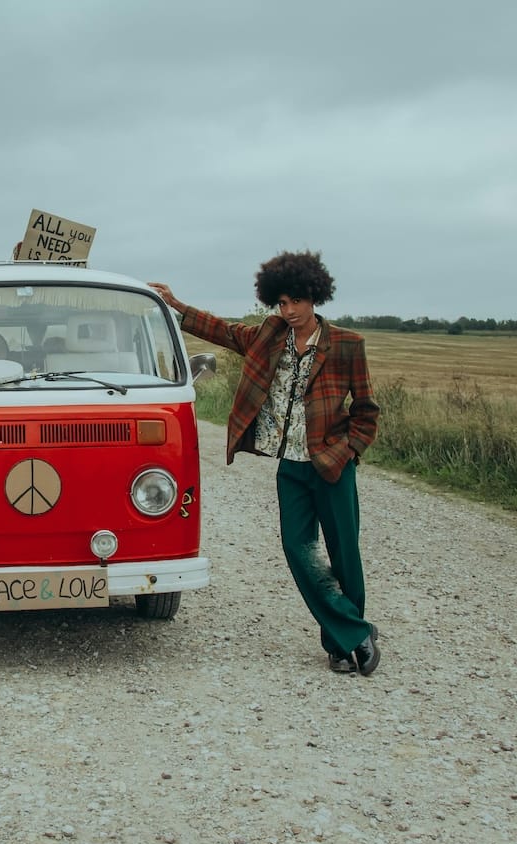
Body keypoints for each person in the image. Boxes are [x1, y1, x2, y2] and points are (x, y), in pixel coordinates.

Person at [149, 251, 382, 675]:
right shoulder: (272, 335)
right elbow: (222, 331)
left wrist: (348, 450)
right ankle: (357, 632)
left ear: (315, 297)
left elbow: (367, 411)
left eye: (296, 302)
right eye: (281, 303)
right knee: (298, 548)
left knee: (344, 552)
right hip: (289, 465)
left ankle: (339, 641)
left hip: (331, 465)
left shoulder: (348, 345)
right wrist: (176, 306)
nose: (288, 311)